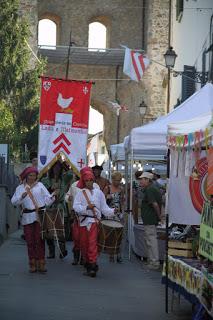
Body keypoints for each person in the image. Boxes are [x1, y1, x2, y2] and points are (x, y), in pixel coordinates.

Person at [73, 167, 116, 278]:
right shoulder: (80, 193)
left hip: (94, 222)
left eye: (91, 180)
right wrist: (86, 207)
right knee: (83, 245)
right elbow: (75, 207)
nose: (89, 182)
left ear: (93, 180)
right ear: (84, 181)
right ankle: (88, 264)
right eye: (87, 180)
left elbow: (104, 208)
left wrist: (113, 211)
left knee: (92, 244)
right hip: (83, 222)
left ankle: (92, 267)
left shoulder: (99, 193)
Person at [11, 167, 55, 273]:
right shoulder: (20, 188)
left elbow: (47, 200)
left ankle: (41, 263)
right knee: (30, 241)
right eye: (30, 175)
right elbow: (13, 202)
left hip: (40, 216)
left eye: (34, 175)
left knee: (40, 240)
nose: (32, 177)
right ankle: (32, 263)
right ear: (26, 176)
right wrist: (21, 197)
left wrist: (53, 196)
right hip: (27, 216)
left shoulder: (40, 185)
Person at [65, 170, 100, 265]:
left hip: (92, 218)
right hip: (78, 216)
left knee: (92, 242)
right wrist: (69, 198)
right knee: (77, 238)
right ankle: (77, 256)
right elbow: (67, 196)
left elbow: (100, 203)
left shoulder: (96, 187)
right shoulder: (74, 185)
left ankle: (89, 261)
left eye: (90, 178)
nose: (89, 181)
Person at [41, 160, 73, 259]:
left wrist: (64, 165)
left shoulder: (64, 179)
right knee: (48, 230)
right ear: (51, 168)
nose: (57, 169)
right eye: (55, 167)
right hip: (50, 206)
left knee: (61, 229)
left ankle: (62, 250)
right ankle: (51, 252)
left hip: (60, 206)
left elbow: (71, 174)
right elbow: (44, 191)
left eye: (59, 167)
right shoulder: (46, 180)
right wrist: (51, 189)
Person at [138, 171, 162, 270]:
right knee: (150, 240)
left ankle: (154, 262)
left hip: (150, 219)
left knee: (151, 241)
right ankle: (152, 261)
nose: (140, 181)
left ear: (147, 180)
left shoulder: (150, 189)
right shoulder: (152, 188)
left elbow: (155, 204)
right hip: (150, 219)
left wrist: (159, 216)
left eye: (142, 179)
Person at [106, 171, 124, 263]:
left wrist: (122, 212)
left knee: (119, 234)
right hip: (110, 213)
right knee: (111, 234)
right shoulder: (108, 188)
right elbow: (102, 200)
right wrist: (107, 197)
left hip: (118, 213)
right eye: (116, 180)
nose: (117, 182)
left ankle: (118, 254)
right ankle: (111, 254)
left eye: (119, 180)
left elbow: (122, 201)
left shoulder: (121, 189)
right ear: (112, 180)